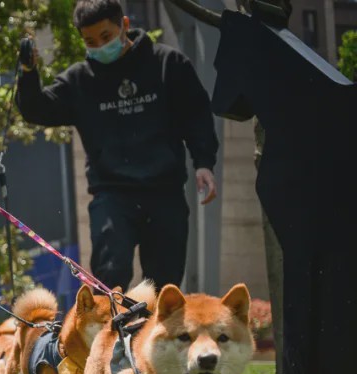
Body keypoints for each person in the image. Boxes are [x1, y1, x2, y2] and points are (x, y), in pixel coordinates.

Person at [15, 0, 219, 292]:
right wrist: (28, 71)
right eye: (90, 41)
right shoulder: (80, 81)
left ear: (124, 25)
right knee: (109, 277)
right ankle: (112, 320)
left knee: (163, 287)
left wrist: (204, 163)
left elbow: (196, 116)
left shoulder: (167, 64)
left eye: (106, 36)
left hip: (164, 191)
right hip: (112, 195)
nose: (100, 46)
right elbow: (36, 109)